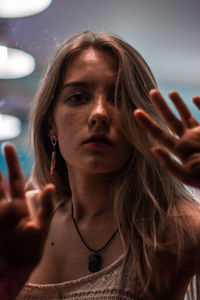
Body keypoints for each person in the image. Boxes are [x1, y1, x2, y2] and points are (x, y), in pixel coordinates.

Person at [0, 31, 200, 300]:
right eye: (78, 97)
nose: (99, 114)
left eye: (118, 99)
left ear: (141, 119)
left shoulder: (175, 226)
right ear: (51, 124)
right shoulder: (22, 223)